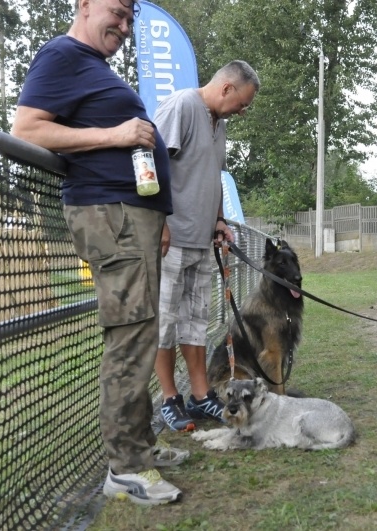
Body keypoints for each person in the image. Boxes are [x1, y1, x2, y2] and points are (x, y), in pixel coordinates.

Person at [11, 0, 187, 505]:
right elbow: (27, 128)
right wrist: (116, 133)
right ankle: (126, 470)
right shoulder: (62, 55)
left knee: (141, 330)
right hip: (110, 216)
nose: (126, 27)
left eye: (131, 18)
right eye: (117, 12)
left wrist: (161, 216)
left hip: (134, 218)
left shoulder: (93, 67)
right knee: (131, 336)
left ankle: (141, 451)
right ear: (83, 5)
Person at [152, 60, 259, 431]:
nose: (244, 112)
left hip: (201, 241)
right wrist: (160, 221)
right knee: (163, 323)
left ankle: (200, 397)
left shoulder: (221, 125)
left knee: (195, 322)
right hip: (170, 239)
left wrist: (217, 220)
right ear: (227, 88)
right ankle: (170, 399)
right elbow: (152, 160)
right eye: (242, 103)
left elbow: (213, 176)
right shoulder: (182, 105)